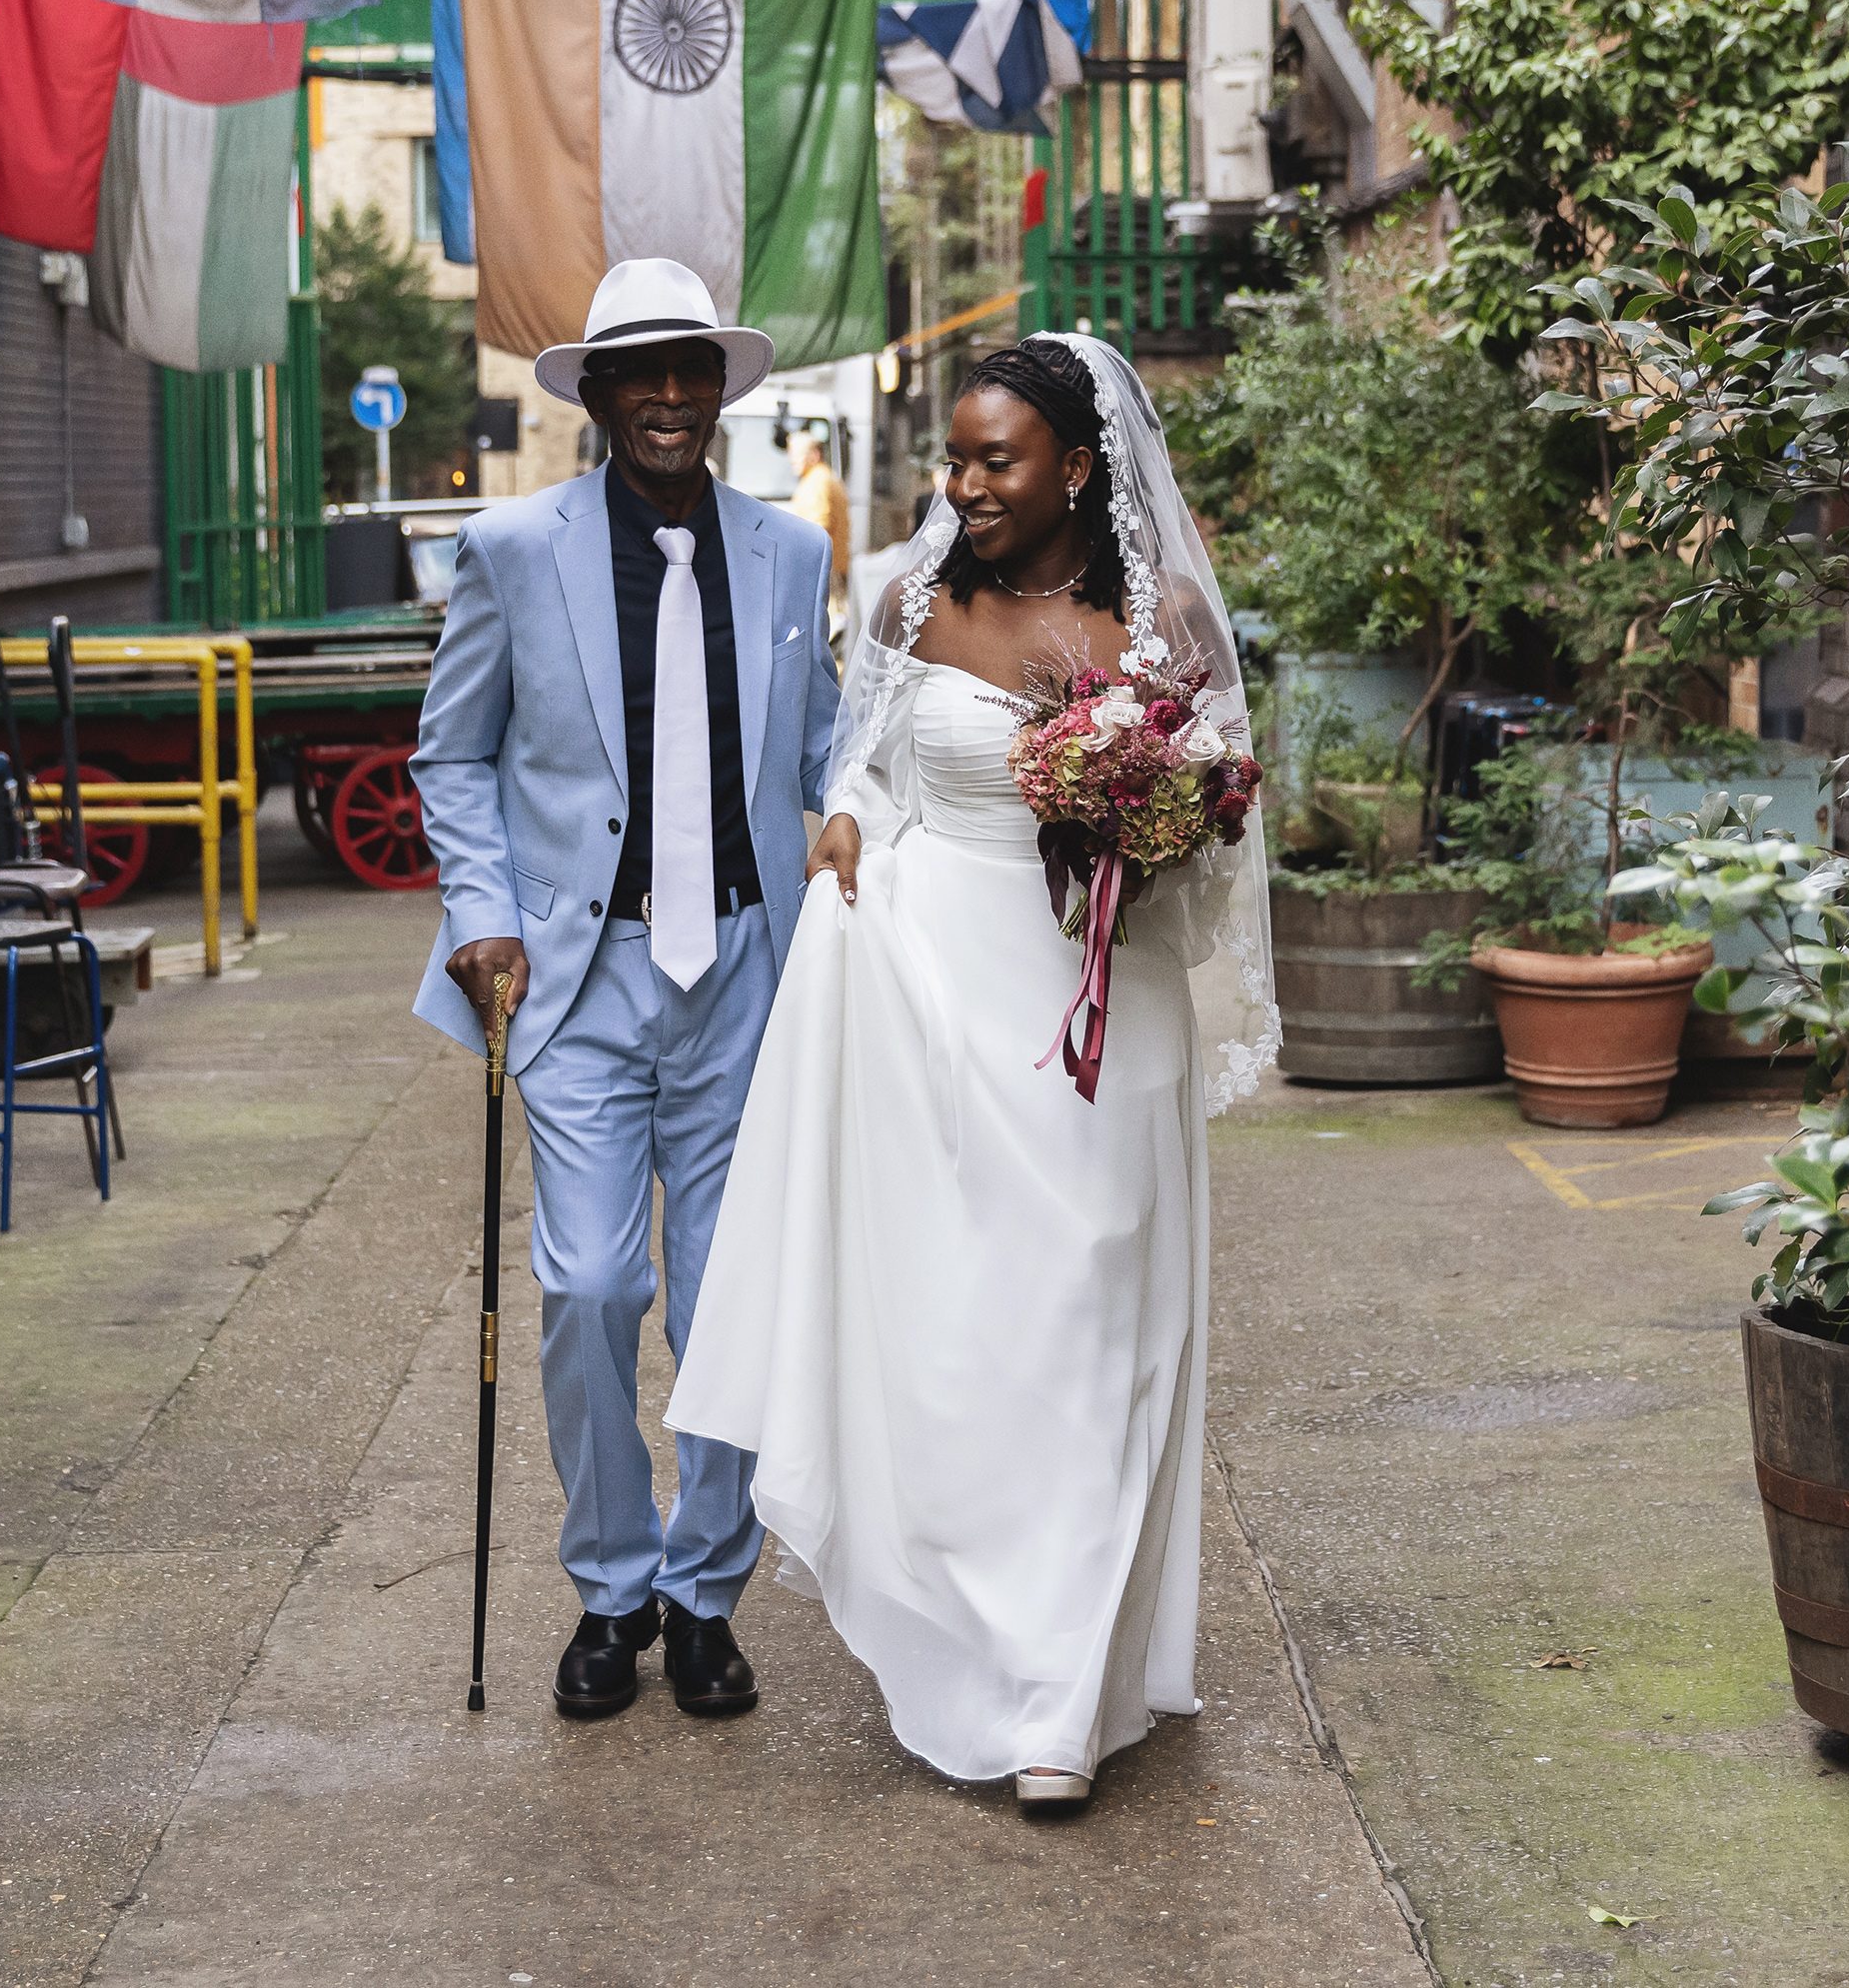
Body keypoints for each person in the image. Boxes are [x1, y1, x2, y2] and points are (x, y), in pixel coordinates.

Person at [665, 335, 1278, 1811]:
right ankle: (974, 1638)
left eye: (996, 458)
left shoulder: (1163, 621)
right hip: (924, 1000)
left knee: (1090, 1328)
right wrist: (844, 823)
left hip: (1094, 1014)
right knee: (956, 1345)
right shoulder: (908, 599)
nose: (965, 484)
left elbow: (1215, 854)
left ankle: (1064, 1692)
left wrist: (1150, 815)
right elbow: (865, 769)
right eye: (956, 457)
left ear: (1077, 467)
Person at [411, 257, 840, 1721]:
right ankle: (610, 1580)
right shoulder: (512, 548)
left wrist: (853, 851)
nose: (668, 396)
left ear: (723, 386)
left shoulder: (791, 557)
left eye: (691, 369)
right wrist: (479, 910)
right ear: (593, 394)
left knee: (729, 1300)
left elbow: (819, 756)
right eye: (638, 372)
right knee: (592, 1283)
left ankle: (705, 1588)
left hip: (742, 971)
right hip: (578, 978)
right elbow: (452, 752)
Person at [785, 428, 852, 626]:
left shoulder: (818, 481)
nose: (792, 461)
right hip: (828, 567)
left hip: (821, 570)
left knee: (827, 630)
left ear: (814, 455)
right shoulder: (821, 477)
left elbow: (819, 526)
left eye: (798, 455)